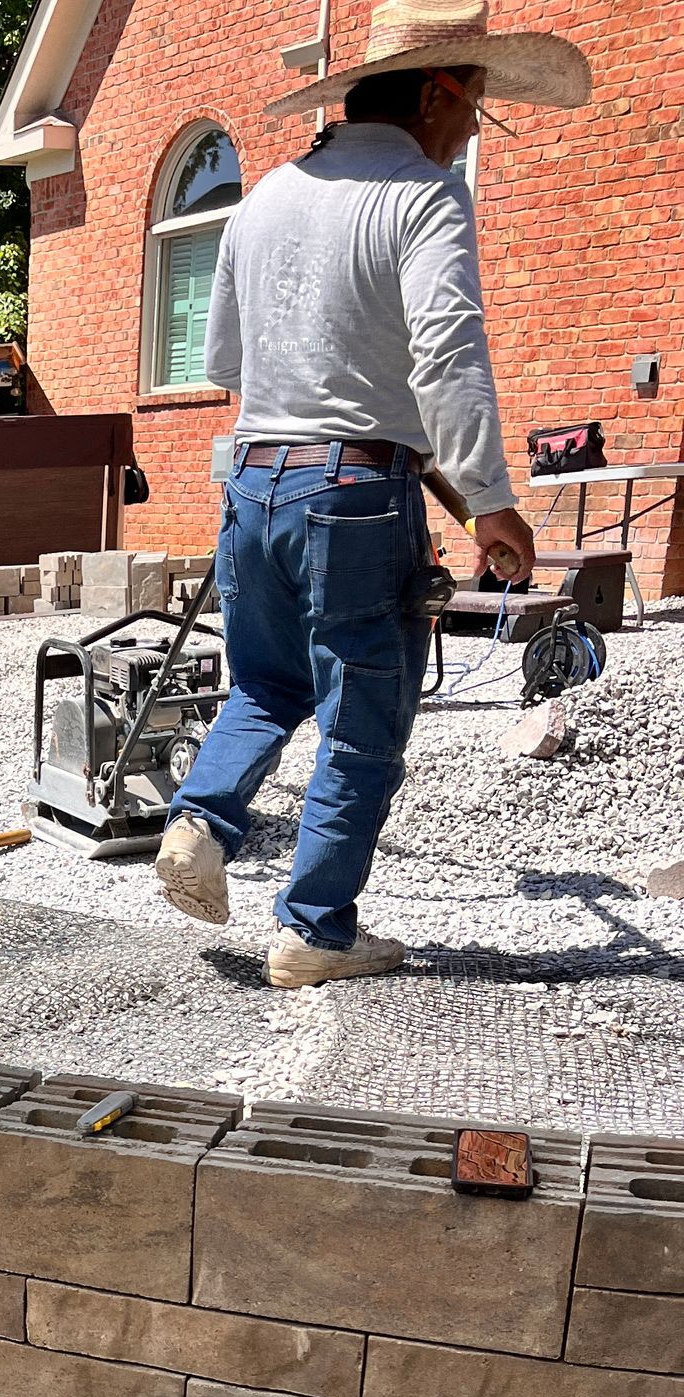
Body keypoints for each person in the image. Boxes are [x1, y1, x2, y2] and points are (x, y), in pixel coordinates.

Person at [154, 0, 589, 987]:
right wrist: (488, 498)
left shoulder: (266, 196)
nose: (473, 130)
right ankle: (315, 931)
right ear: (437, 92)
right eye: (476, 106)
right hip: (353, 492)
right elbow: (449, 354)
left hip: (253, 479)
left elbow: (222, 359)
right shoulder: (425, 195)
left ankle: (198, 823)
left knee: (264, 684)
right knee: (363, 718)